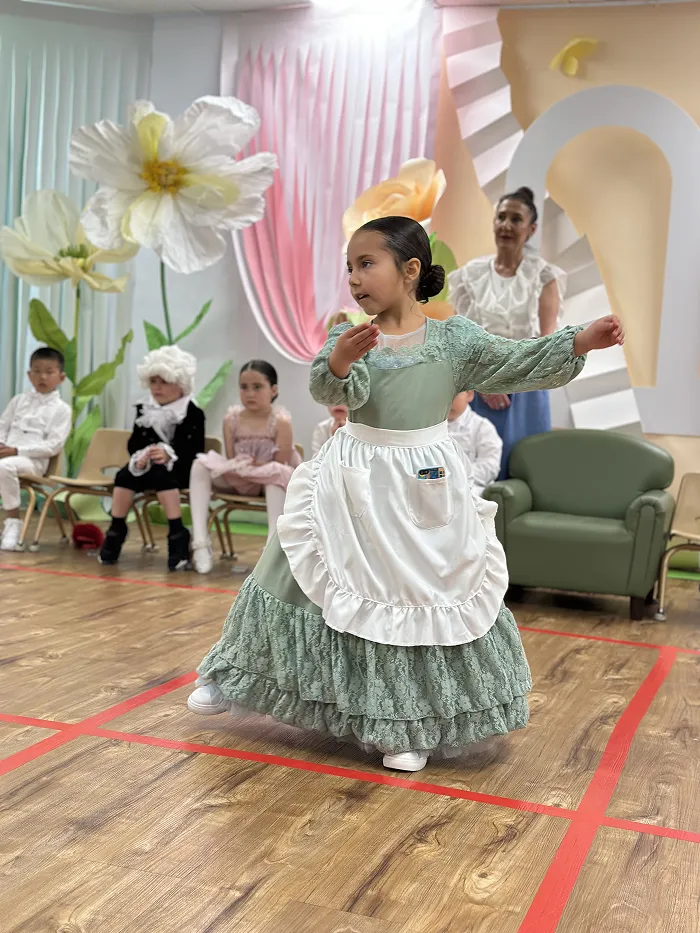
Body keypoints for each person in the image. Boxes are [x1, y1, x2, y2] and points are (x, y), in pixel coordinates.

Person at [187, 215, 623, 773]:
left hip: (422, 482)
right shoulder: (352, 333)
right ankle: (232, 676)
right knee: (288, 571)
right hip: (353, 474)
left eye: (366, 264)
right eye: (349, 267)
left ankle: (405, 725)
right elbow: (327, 382)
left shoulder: (455, 339)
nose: (354, 278)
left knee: (416, 595)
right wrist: (342, 358)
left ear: (410, 269)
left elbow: (514, 363)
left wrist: (581, 340)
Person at [448, 186, 565, 479]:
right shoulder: (468, 276)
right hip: (477, 388)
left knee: (523, 474)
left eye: (516, 219)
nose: (506, 225)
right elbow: (459, 341)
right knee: (475, 475)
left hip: (524, 390)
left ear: (531, 229)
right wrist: (485, 383)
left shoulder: (544, 277)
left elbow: (546, 347)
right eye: (501, 217)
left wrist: (506, 380)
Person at [189, 360, 301, 574]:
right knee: (199, 465)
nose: (250, 393)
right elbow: (231, 456)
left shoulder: (281, 421)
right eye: (244, 387)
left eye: (257, 387)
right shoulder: (231, 419)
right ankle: (200, 543)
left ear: (273, 390)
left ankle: (271, 549)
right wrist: (243, 465)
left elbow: (281, 461)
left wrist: (255, 464)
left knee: (277, 475)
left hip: (268, 477)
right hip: (241, 475)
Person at [98, 345, 204, 571]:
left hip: (179, 471)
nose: (157, 388)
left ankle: (177, 532)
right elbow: (134, 441)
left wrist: (168, 453)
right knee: (124, 475)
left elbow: (193, 448)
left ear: (180, 383)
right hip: (146, 468)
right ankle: (116, 528)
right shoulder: (144, 408)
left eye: (164, 382)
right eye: (153, 381)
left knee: (161, 475)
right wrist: (141, 455)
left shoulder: (192, 412)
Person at [0, 347, 71, 551]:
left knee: (4, 467)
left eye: (49, 372)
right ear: (29, 375)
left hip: (33, 462)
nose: (42, 377)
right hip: (7, 455)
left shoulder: (62, 410)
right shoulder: (18, 401)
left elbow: (53, 445)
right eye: (37, 371)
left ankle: (13, 523)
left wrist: (16, 450)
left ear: (61, 377)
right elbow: (2, 426)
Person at [448, 391, 502, 497]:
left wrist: (455, 476)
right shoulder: (426, 427)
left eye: (452, 395)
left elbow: (490, 466)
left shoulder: (482, 427)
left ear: (469, 394)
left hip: (471, 490)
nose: (446, 402)